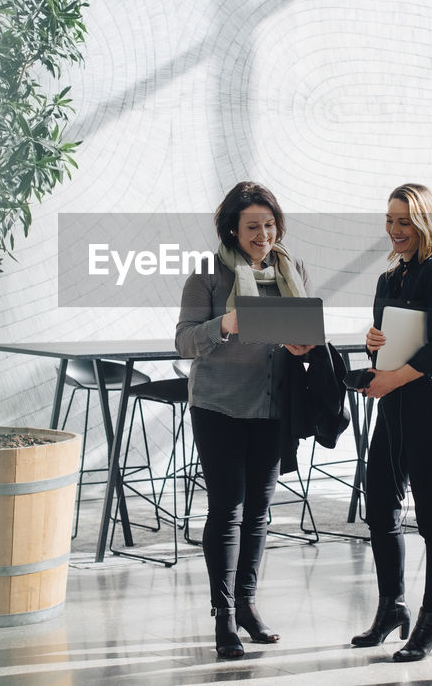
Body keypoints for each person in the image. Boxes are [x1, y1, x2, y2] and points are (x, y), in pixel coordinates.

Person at [175, 181, 314, 659]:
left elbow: (299, 332)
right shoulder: (208, 276)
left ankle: (250, 606)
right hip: (219, 407)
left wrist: (302, 344)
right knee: (228, 509)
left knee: (258, 510)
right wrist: (226, 324)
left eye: (270, 225)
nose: (263, 235)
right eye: (252, 226)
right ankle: (225, 615)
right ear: (232, 228)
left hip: (272, 406)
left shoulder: (291, 268)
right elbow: (184, 341)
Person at [350, 183, 432, 662]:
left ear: (424, 224)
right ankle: (392, 607)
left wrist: (390, 378)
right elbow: (384, 347)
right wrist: (373, 343)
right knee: (380, 510)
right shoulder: (389, 279)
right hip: (392, 410)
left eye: (405, 222)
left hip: (429, 411)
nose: (396, 231)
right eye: (391, 221)